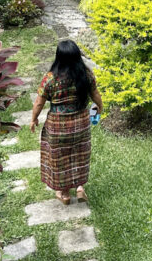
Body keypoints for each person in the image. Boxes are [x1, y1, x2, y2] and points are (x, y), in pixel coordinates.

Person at [30, 39, 104, 205]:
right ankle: (79, 188)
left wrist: (34, 119)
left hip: (58, 127)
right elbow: (96, 95)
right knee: (79, 154)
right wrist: (99, 107)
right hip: (81, 124)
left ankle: (64, 193)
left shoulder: (50, 79)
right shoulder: (86, 74)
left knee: (60, 158)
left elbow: (39, 103)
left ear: (59, 57)